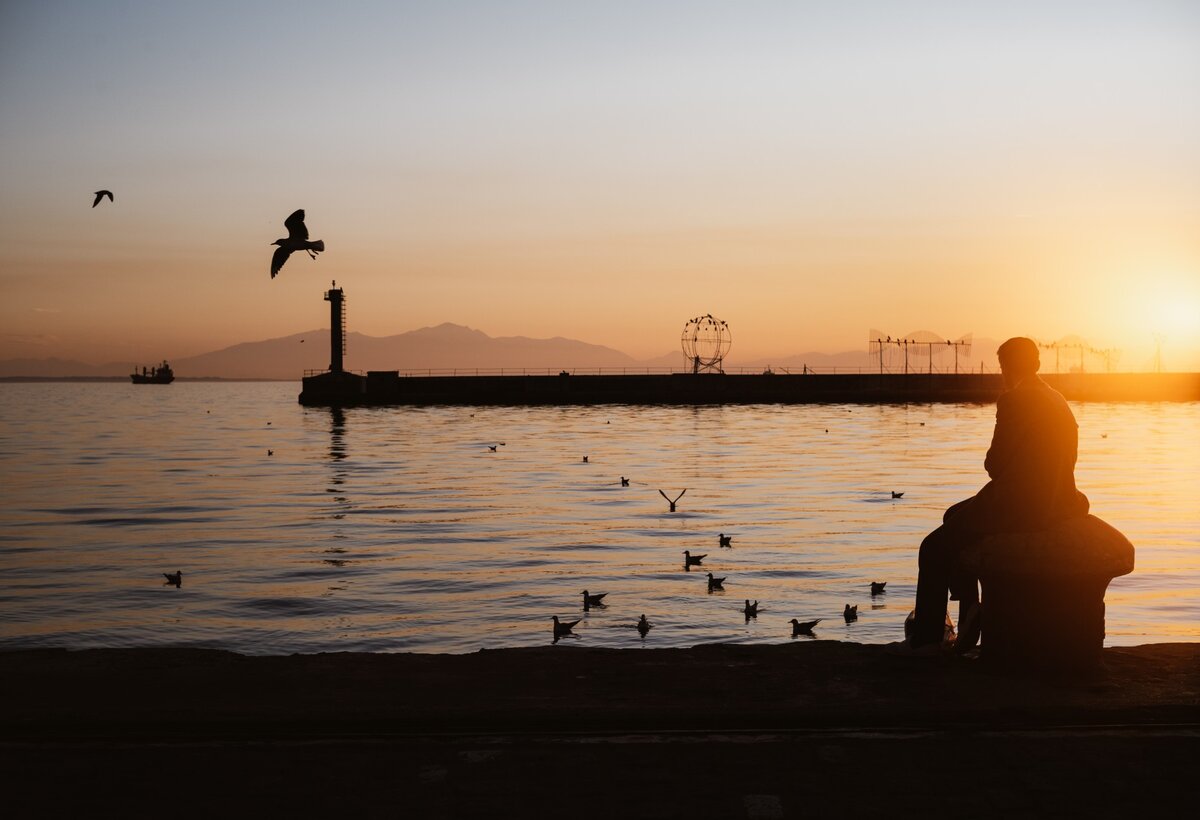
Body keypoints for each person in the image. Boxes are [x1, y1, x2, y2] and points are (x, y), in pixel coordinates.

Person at [887, 337, 1090, 657]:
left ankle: (926, 640)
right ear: (1037, 364)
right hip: (1060, 498)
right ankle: (970, 609)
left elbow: (994, 465)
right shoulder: (1056, 398)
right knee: (953, 515)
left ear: (1005, 367)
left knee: (932, 548)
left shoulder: (1015, 399)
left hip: (1022, 502)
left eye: (1005, 367)